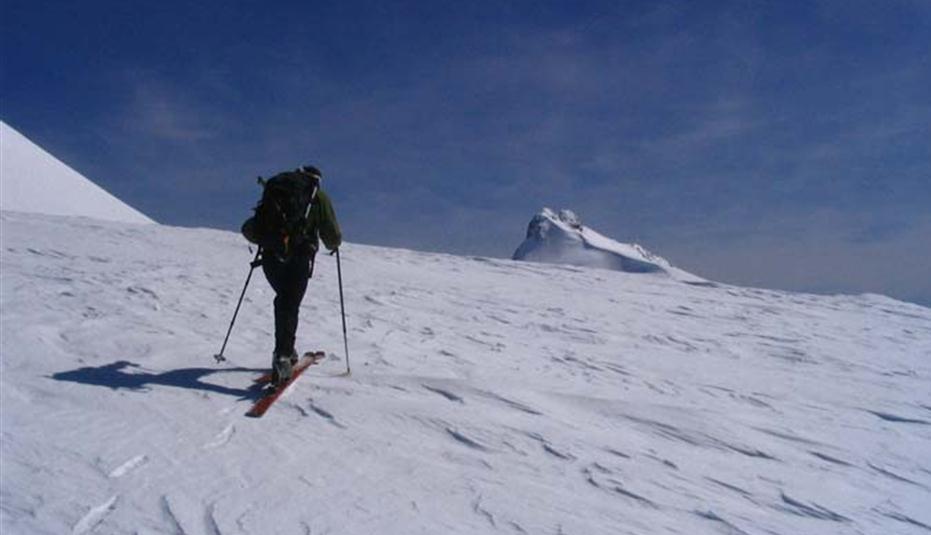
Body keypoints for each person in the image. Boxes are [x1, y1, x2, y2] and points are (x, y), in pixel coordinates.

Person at [241, 165, 341, 384]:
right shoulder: (318, 197)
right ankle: (283, 357)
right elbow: (332, 235)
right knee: (289, 302)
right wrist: (335, 244)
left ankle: (287, 350)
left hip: (270, 255)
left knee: (285, 300)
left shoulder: (276, 190)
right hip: (298, 257)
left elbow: (255, 225)